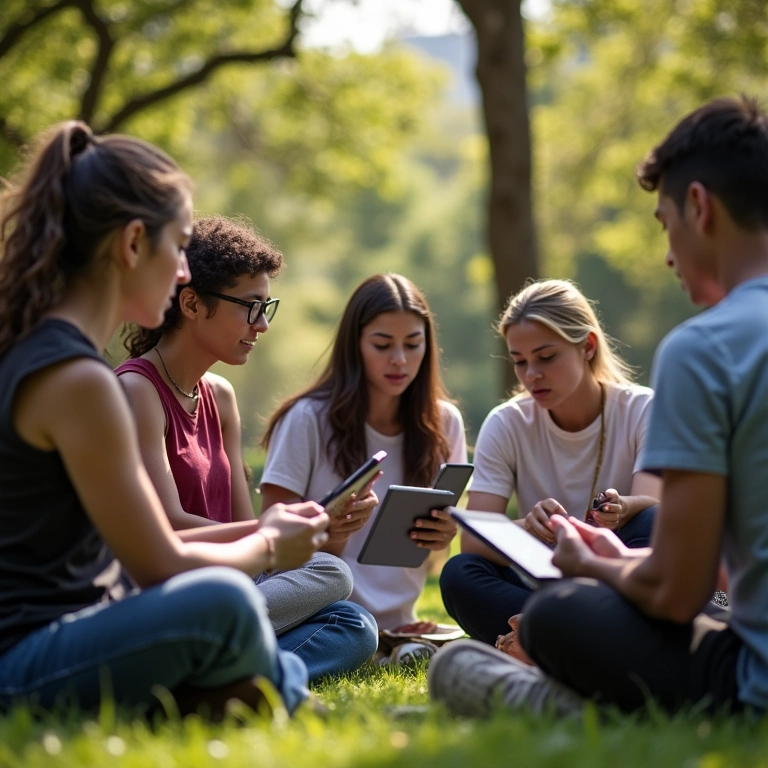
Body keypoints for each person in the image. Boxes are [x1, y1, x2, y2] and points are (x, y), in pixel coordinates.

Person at [429, 95, 768, 717]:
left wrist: (593, 562)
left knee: (559, 614)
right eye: (520, 362)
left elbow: (674, 590)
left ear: (699, 207)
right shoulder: (510, 422)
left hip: (751, 677)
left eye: (665, 224)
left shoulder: (705, 348)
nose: (668, 254)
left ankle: (540, 684)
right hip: (713, 606)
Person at [0, 120, 329, 717]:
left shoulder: (56, 359)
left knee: (228, 603)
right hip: (24, 663)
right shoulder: (79, 381)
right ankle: (282, 700)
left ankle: (241, 696)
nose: (184, 272)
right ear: (130, 245)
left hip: (76, 632)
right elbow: (161, 561)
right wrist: (270, 546)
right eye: (177, 247)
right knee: (223, 598)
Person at [116, 215, 377, 681]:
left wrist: (320, 526)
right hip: (170, 585)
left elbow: (241, 525)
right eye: (251, 306)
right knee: (332, 577)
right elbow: (169, 528)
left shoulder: (220, 396)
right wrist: (275, 532)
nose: (262, 325)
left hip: (233, 576)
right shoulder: (138, 390)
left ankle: (228, 665)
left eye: (267, 307)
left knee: (354, 622)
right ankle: (218, 643)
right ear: (193, 304)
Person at [440, 279, 660, 645]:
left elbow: (655, 508)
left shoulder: (642, 409)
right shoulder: (506, 422)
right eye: (519, 361)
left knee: (652, 523)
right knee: (460, 574)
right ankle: (587, 631)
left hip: (619, 570)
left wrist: (623, 508)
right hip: (545, 578)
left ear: (587, 346)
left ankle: (550, 632)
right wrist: (526, 525)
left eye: (546, 357)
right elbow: (474, 541)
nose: (531, 375)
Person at [260, 273, 467, 647]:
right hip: (322, 609)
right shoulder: (307, 418)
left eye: (413, 344)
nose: (400, 360)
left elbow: (436, 553)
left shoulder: (444, 423)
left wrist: (442, 536)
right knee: (350, 623)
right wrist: (333, 532)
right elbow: (271, 548)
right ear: (354, 345)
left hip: (398, 621)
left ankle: (389, 640)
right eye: (383, 345)